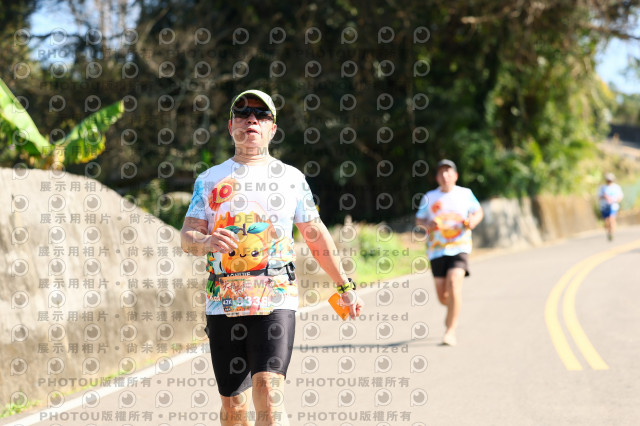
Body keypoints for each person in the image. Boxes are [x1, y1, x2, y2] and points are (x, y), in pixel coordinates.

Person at [180, 89, 363, 426]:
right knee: (234, 406)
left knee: (268, 389)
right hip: (224, 300)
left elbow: (315, 234)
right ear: (231, 126)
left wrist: (344, 285)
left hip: (276, 296)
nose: (252, 119)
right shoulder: (208, 180)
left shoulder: (291, 178)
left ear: (272, 129)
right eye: (243, 113)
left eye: (262, 114)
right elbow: (187, 238)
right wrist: (205, 241)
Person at [415, 159, 483, 346]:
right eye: (441, 172)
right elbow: (419, 220)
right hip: (437, 250)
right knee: (443, 297)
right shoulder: (429, 197)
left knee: (454, 285)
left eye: (449, 172)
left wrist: (472, 221)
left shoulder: (465, 194)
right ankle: (453, 306)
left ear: (456, 176)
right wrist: (428, 224)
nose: (445, 175)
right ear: (437, 177)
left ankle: (450, 331)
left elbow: (478, 212)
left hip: (460, 247)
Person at [598, 172, 624, 241]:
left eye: (610, 180)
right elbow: (599, 196)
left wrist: (614, 201)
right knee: (606, 221)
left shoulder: (616, 187)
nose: (609, 181)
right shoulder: (602, 188)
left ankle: (612, 233)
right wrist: (605, 197)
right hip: (604, 207)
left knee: (612, 220)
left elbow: (620, 197)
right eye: (608, 180)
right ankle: (609, 232)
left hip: (613, 207)